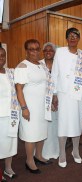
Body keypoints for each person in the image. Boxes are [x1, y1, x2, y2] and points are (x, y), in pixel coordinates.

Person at [51, 28, 82, 168]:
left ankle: (75, 151)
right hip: (63, 94)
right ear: (66, 38)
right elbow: (54, 73)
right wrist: (54, 94)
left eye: (75, 36)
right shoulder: (60, 52)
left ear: (79, 38)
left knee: (76, 123)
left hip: (77, 95)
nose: (73, 38)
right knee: (63, 123)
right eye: (70, 36)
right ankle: (62, 153)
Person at [14, 39, 53, 174]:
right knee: (30, 134)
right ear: (27, 51)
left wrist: (50, 102)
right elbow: (19, 89)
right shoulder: (22, 67)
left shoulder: (41, 65)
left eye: (37, 49)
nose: (35, 52)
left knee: (41, 132)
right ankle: (29, 160)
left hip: (42, 106)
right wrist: (24, 108)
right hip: (29, 107)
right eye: (31, 49)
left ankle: (39, 155)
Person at [0, 47, 19, 180]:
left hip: (11, 114)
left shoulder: (10, 72)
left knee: (10, 142)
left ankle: (8, 168)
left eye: (3, 55)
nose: (1, 58)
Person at [40, 42, 59, 160]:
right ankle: (42, 153)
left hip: (57, 99)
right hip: (43, 100)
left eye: (50, 50)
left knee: (55, 126)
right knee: (44, 126)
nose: (48, 52)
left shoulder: (58, 65)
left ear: (54, 53)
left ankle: (54, 151)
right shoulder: (39, 65)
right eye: (46, 50)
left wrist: (55, 96)